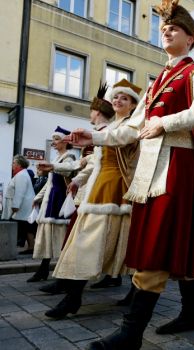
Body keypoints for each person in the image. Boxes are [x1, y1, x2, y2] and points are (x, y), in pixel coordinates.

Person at [71, 1, 194, 347]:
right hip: (151, 171)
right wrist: (93, 137)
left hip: (178, 168)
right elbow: (132, 129)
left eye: (175, 29)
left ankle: (131, 332)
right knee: (175, 240)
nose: (166, 32)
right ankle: (192, 312)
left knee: (159, 240)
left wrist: (163, 122)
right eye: (163, 29)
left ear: (192, 39)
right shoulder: (158, 83)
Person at [42, 80, 141, 319]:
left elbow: (121, 140)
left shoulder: (131, 126)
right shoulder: (111, 127)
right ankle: (73, 297)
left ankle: (135, 293)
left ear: (133, 105)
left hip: (117, 189)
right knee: (88, 242)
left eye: (124, 99)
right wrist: (67, 174)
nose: (117, 101)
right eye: (115, 98)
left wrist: (95, 137)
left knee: (119, 242)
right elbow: (90, 163)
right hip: (100, 187)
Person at [28, 127, 76, 282]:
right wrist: (37, 198)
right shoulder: (56, 160)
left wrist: (51, 167)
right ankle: (43, 270)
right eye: (53, 139)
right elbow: (48, 184)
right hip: (51, 200)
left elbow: (68, 173)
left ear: (64, 141)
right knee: (49, 237)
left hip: (60, 201)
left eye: (56, 139)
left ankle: (63, 274)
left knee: (60, 238)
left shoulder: (69, 158)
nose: (53, 143)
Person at [1, 155, 36, 253]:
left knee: (24, 227)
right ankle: (30, 248)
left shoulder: (21, 175)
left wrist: (15, 206)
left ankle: (28, 248)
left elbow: (19, 192)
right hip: (23, 207)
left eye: (14, 163)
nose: (12, 165)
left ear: (19, 165)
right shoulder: (21, 174)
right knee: (26, 227)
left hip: (22, 207)